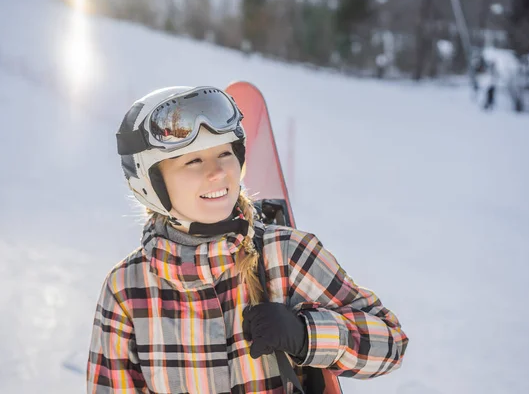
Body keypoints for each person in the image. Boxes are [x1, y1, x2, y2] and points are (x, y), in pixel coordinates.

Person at [87, 86, 409, 393]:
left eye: (225, 153)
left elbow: (391, 341)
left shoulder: (285, 257)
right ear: (150, 182)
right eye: (193, 160)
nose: (217, 172)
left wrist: (306, 335)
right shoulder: (127, 290)